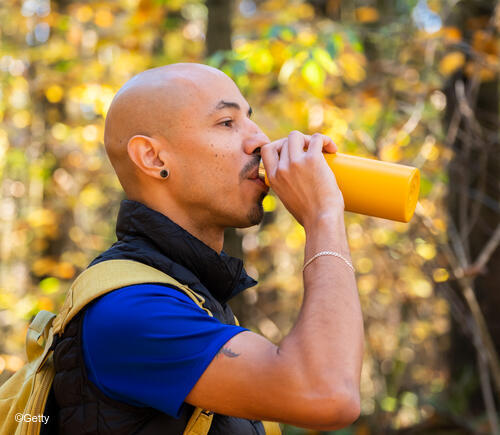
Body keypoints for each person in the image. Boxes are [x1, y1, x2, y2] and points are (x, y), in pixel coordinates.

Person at [51, 63, 364, 434]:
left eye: (250, 119)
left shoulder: (192, 294)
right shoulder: (130, 309)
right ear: (154, 158)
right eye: (227, 123)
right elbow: (327, 393)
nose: (260, 141)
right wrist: (323, 216)